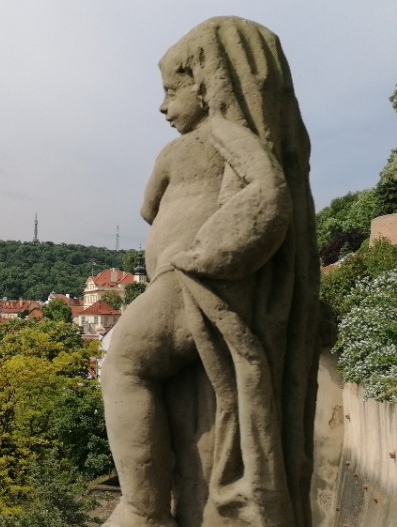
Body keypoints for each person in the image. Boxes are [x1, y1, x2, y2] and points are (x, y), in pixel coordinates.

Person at [101, 17, 332, 527]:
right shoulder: (199, 144)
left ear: (207, 85)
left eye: (171, 91)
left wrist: (208, 254)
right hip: (184, 276)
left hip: (192, 279)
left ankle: (142, 508)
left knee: (123, 362)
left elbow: (266, 194)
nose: (163, 107)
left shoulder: (226, 135)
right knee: (162, 388)